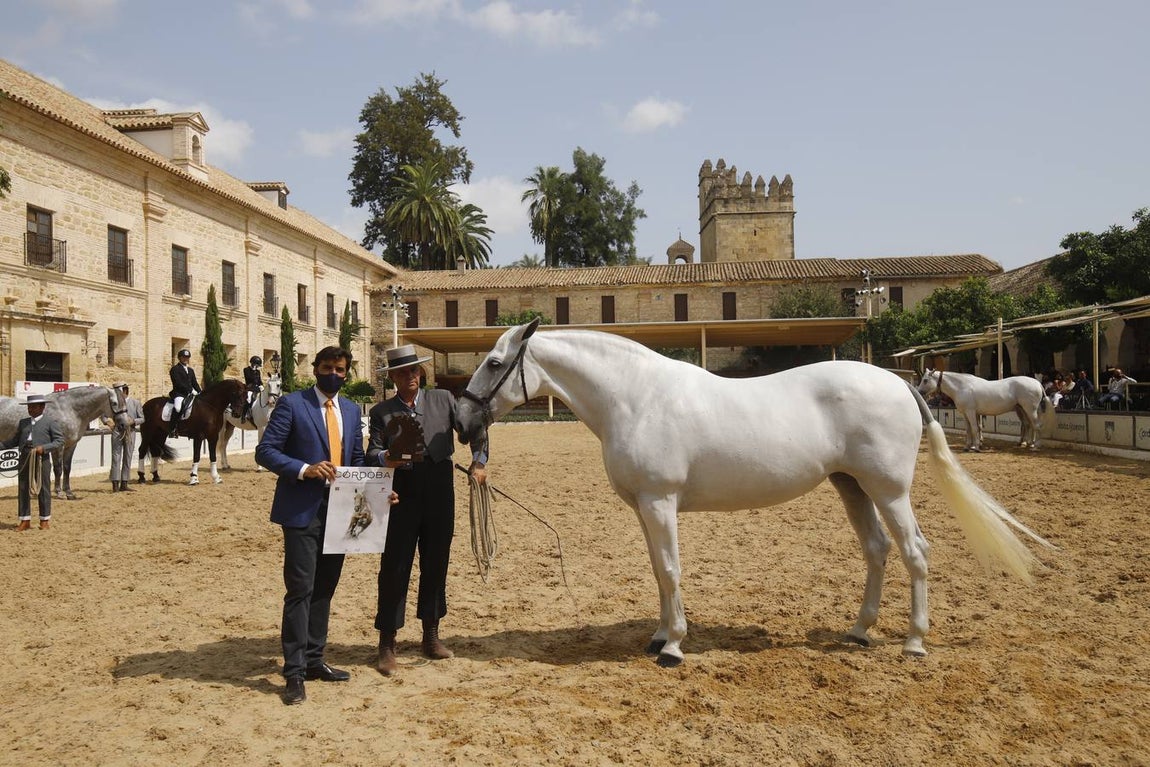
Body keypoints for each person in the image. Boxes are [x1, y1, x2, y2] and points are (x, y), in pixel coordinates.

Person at [255, 346, 373, 705]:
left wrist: (376, 494)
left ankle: (314, 659)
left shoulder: (350, 410)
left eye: (340, 369)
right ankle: (293, 672)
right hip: (302, 509)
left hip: (340, 510)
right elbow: (266, 451)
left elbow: (355, 460)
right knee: (300, 589)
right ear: (316, 369)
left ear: (346, 373)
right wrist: (305, 469)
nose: (333, 374)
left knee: (324, 589)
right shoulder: (293, 404)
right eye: (327, 368)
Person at [366, 344, 488, 676]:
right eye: (403, 372)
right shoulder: (381, 412)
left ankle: (431, 635)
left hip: (439, 488)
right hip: (399, 493)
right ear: (392, 377)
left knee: (436, 563)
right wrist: (385, 458)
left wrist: (479, 462)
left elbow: (474, 428)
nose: (411, 376)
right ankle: (387, 642)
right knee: (395, 567)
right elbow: (371, 453)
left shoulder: (444, 399)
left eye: (414, 370)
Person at [2, 394, 64, 531]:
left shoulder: (50, 422)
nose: (30, 409)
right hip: (25, 458)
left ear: (42, 407)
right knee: (23, 488)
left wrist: (44, 448)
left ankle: (44, 519)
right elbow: (14, 441)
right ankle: (25, 520)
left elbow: (59, 441)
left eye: (34, 407)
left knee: (44, 488)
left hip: (42, 459)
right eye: (29, 407)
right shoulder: (23, 423)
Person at [108, 382, 144, 492]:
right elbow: (103, 415)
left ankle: (124, 482)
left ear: (124, 391)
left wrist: (133, 421)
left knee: (127, 457)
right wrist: (107, 422)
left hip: (130, 431)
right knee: (116, 457)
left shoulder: (135, 403)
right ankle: (115, 483)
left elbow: (142, 418)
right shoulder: (113, 403)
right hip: (117, 431)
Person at [168, 349, 200, 435]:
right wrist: (190, 390)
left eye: (187, 357)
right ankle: (172, 428)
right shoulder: (175, 369)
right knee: (178, 408)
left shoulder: (190, 370)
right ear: (179, 358)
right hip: (179, 394)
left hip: (190, 394)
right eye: (184, 357)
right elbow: (178, 383)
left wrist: (200, 392)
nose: (185, 359)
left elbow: (195, 383)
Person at [242, 356, 264, 421]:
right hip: (250, 387)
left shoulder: (258, 371)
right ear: (253, 363)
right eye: (257, 365)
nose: (257, 367)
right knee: (249, 398)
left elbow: (259, 380)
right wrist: (253, 371)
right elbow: (249, 378)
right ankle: (244, 415)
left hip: (257, 388)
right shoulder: (246, 370)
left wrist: (261, 385)